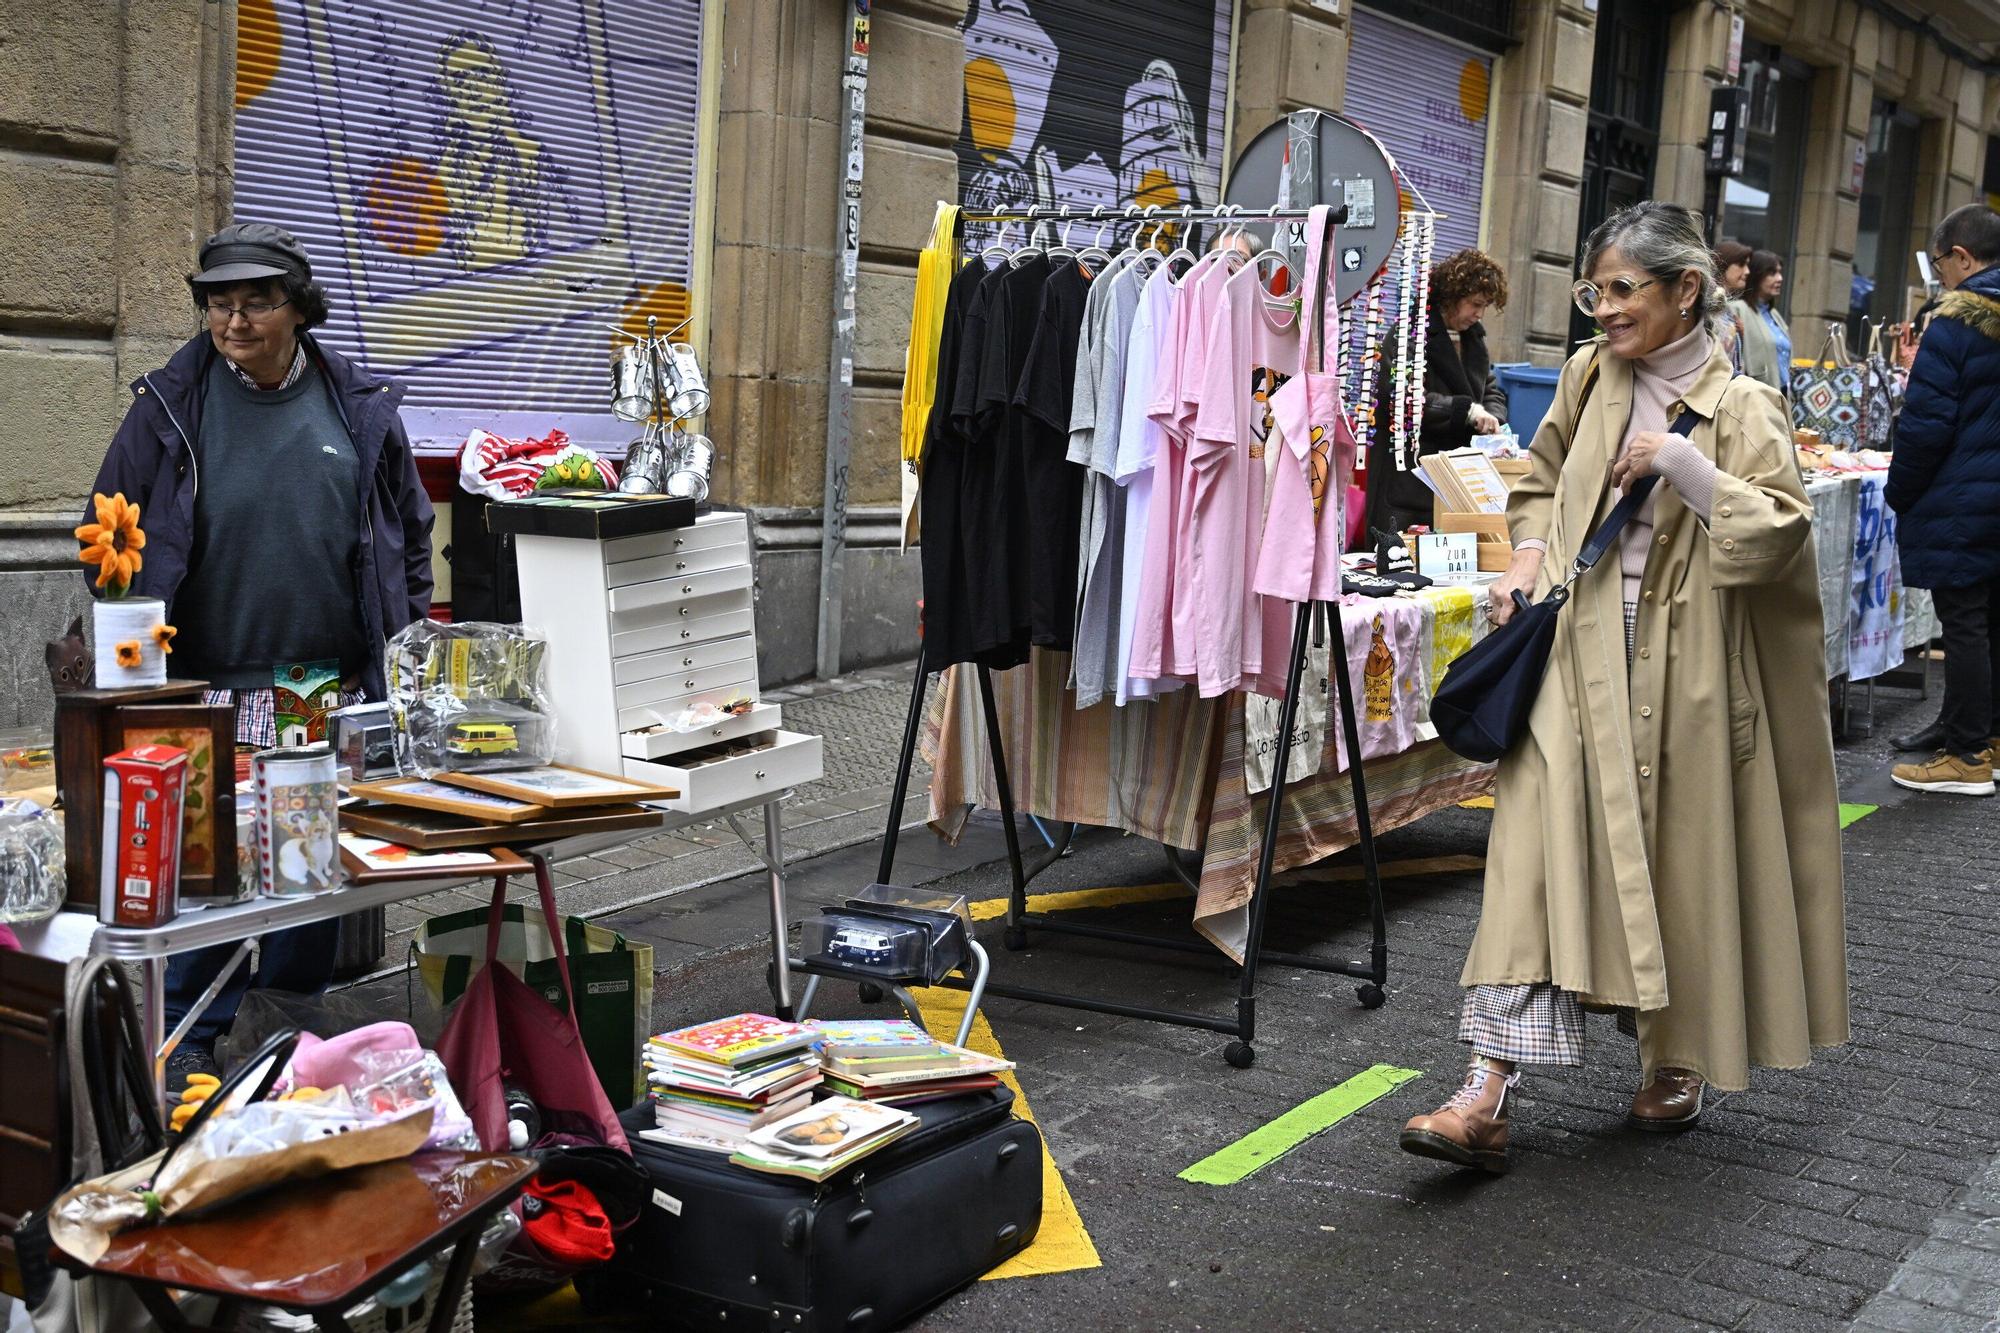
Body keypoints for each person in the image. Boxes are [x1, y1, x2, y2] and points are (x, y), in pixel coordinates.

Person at [1400, 201, 1847, 1173]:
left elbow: (1777, 533)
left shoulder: (1740, 407)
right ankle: (1484, 1087)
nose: (1600, 308)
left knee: (1674, 863)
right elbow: (1532, 477)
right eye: (1591, 290)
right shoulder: (1585, 376)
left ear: (1683, 290)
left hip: (1686, 665)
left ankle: (1670, 1058)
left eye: (1619, 290)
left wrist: (1683, 464)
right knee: (1530, 857)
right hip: (1573, 648)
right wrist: (1522, 559)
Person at [88, 223, 435, 1088]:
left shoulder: (352, 403)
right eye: (217, 303)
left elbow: (409, 531)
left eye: (254, 302)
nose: (233, 320)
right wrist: (132, 637)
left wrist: (402, 633)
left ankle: (286, 1022)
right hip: (202, 680)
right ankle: (187, 1037)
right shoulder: (171, 402)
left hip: (312, 679)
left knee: (306, 869)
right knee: (202, 866)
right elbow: (107, 531)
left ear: (296, 307)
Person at [1885, 203, 2000, 796]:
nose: (1942, 280)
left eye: (1942, 266)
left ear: (1961, 255)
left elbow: (1927, 424)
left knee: (1964, 622)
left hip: (1963, 497)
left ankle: (1968, 756)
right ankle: (1986, 737)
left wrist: (1900, 490)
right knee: (1988, 620)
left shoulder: (1956, 323)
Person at [1368, 249, 1512, 535]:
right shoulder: (1409, 333)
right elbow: (1402, 398)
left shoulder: (1475, 339)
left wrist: (1492, 418)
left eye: (1485, 306)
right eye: (1475, 304)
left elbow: (1491, 388)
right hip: (1411, 480)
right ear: (1452, 296)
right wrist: (1466, 411)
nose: (1479, 314)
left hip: (1457, 480)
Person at [1729, 248, 1792, 395]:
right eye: (1772, 273)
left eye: (1780, 272)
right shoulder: (1737, 309)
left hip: (1782, 395)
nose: (1780, 278)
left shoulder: (1774, 315)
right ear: (1757, 275)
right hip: (1755, 397)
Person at [1713, 240, 1752, 372]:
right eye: (1741, 264)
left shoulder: (1727, 308)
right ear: (1723, 264)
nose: (1747, 271)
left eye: (1747, 265)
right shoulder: (1707, 305)